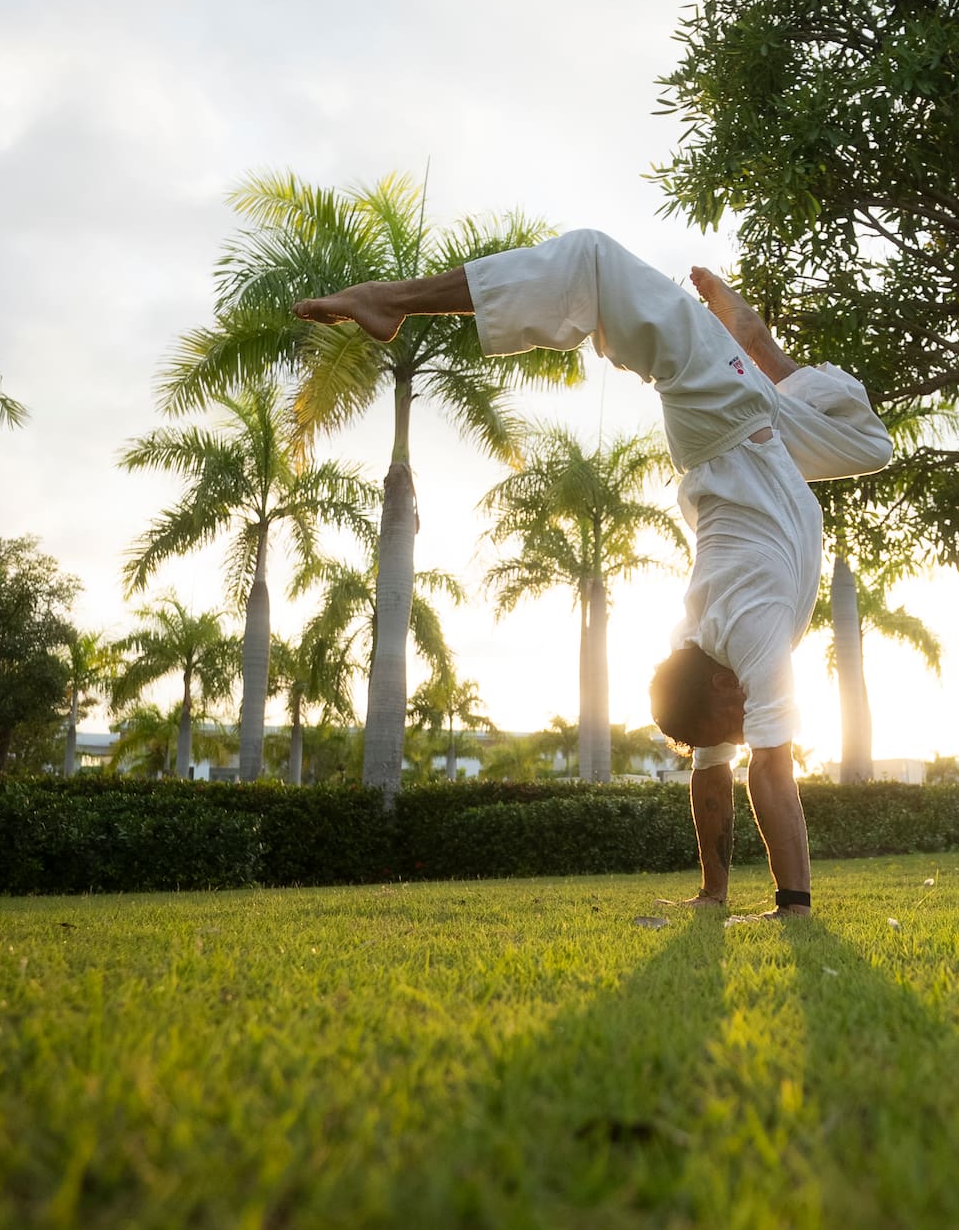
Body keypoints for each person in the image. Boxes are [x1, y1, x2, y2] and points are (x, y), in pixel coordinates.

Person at [294, 226, 893, 915]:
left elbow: (772, 767)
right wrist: (713, 895)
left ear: (724, 684)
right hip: (765, 437)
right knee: (868, 442)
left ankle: (390, 300)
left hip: (725, 417)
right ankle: (756, 344)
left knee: (593, 260)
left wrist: (793, 904)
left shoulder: (747, 636)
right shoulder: (697, 644)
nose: (738, 730)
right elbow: (710, 774)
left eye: (730, 721)